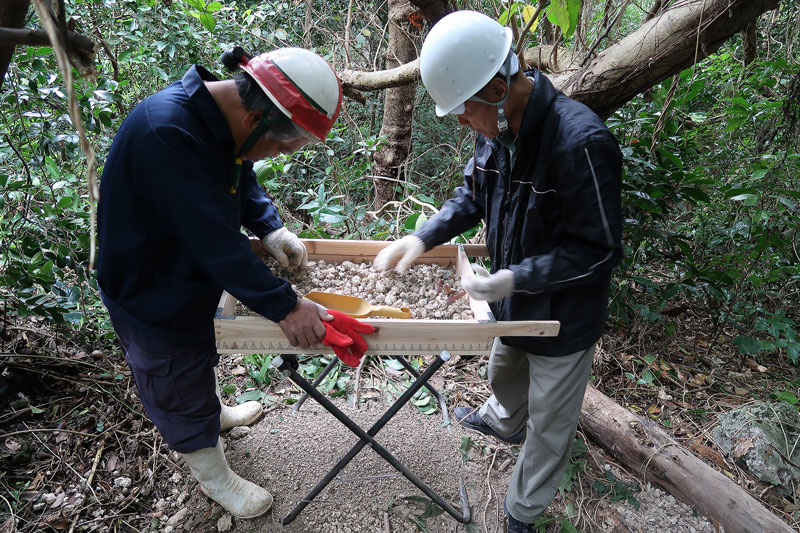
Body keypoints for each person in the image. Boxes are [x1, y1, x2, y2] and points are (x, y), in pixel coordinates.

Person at [374, 10, 623, 531]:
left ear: (494, 87)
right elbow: (472, 194)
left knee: (551, 424)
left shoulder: (579, 142)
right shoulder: (494, 128)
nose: (461, 121)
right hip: (512, 304)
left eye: (462, 109)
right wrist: (423, 235)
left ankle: (522, 512)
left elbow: (597, 249)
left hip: (563, 315)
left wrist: (515, 277)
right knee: (503, 375)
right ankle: (504, 421)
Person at [96, 47, 342, 518]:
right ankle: (214, 476)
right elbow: (213, 241)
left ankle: (215, 416)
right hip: (150, 283)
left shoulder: (220, 121)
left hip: (186, 272)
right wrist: (286, 306)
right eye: (281, 146)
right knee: (174, 372)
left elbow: (239, 170)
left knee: (197, 351)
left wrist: (268, 225)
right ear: (254, 117)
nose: (277, 154)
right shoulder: (167, 132)